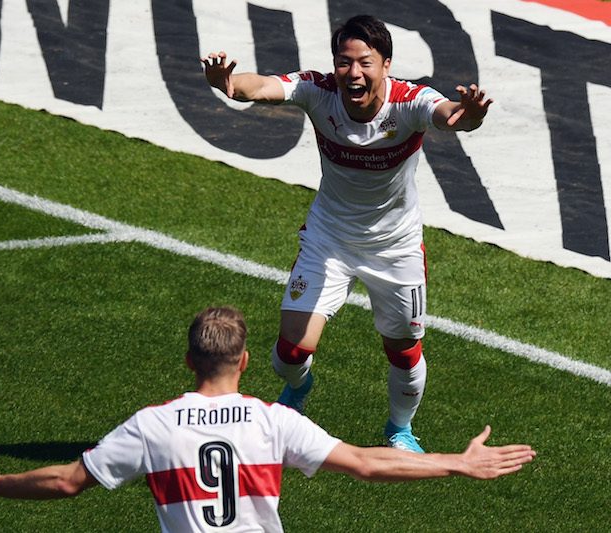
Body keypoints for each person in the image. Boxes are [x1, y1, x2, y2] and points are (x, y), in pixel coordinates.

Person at [0, 306, 535, 533]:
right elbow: (367, 464)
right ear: (245, 361)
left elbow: (68, 481)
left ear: (188, 361)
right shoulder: (272, 422)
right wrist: (457, 463)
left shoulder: (152, 425)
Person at [201, 15, 494, 453]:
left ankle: (400, 430)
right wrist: (227, 84)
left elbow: (450, 115)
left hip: (395, 247)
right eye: (344, 62)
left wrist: (470, 115)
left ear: (386, 65)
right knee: (289, 356)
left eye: (365, 63)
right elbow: (260, 86)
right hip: (330, 240)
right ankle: (300, 387)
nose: (353, 73)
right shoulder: (317, 91)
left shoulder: (410, 101)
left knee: (403, 350)